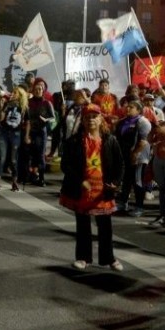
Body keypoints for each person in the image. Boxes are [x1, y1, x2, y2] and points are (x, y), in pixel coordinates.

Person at [59, 104, 125, 271]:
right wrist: (79, 180)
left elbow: (120, 164)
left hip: (103, 190)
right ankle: (83, 258)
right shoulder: (74, 141)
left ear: (101, 118)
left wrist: (116, 182)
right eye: (88, 117)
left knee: (105, 227)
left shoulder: (110, 140)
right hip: (82, 190)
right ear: (83, 120)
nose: (91, 120)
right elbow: (66, 165)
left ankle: (109, 258)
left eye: (94, 116)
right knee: (83, 225)